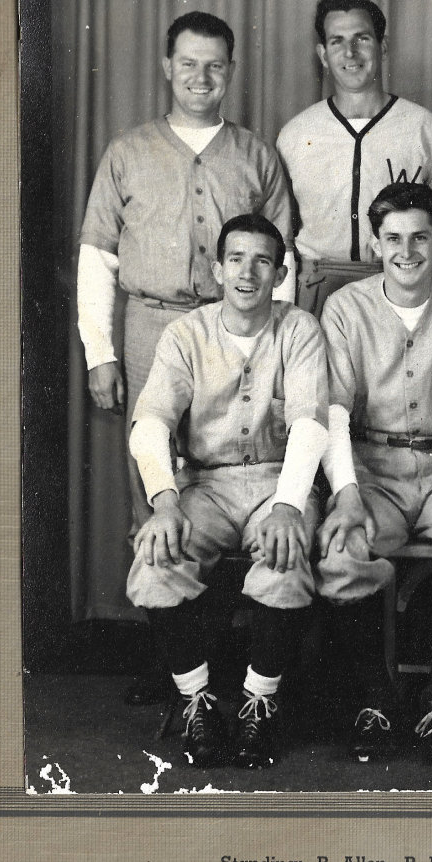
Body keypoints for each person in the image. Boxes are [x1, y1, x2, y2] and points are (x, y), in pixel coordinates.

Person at [76, 10, 293, 704]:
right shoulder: (128, 151)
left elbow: (283, 261)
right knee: (160, 488)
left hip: (241, 331)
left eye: (216, 65)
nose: (202, 77)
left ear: (232, 70)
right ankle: (171, 658)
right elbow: (96, 258)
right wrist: (100, 350)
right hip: (151, 325)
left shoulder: (256, 155)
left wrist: (268, 337)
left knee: (240, 476)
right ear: (167, 67)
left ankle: (233, 658)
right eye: (189, 63)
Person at [125, 215, 328, 769]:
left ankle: (258, 703)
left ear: (280, 273)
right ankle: (198, 702)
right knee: (157, 559)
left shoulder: (300, 329)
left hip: (277, 481)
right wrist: (164, 503)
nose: (247, 272)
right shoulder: (186, 333)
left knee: (283, 560)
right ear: (217, 269)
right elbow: (150, 423)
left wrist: (289, 505)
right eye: (236, 259)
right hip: (205, 485)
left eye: (263, 261)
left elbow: (311, 423)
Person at [315, 182, 432, 767]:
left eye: (420, 238)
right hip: (374, 468)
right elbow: (335, 412)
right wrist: (346, 493)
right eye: (393, 239)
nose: (407, 251)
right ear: (376, 244)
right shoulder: (346, 307)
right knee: (344, 549)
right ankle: (379, 699)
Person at [277, 0, 432, 317]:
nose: (350, 53)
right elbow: (281, 233)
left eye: (361, 38)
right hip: (316, 285)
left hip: (402, 280)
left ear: (383, 46)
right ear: (323, 54)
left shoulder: (426, 129)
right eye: (337, 41)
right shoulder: (295, 134)